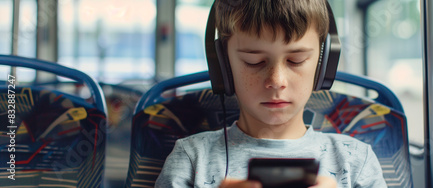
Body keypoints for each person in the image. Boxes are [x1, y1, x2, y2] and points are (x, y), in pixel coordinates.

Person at [155, 0, 386, 187]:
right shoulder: (191, 159)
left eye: (296, 60)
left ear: (323, 65)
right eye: (253, 62)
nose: (276, 81)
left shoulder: (356, 160)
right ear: (223, 67)